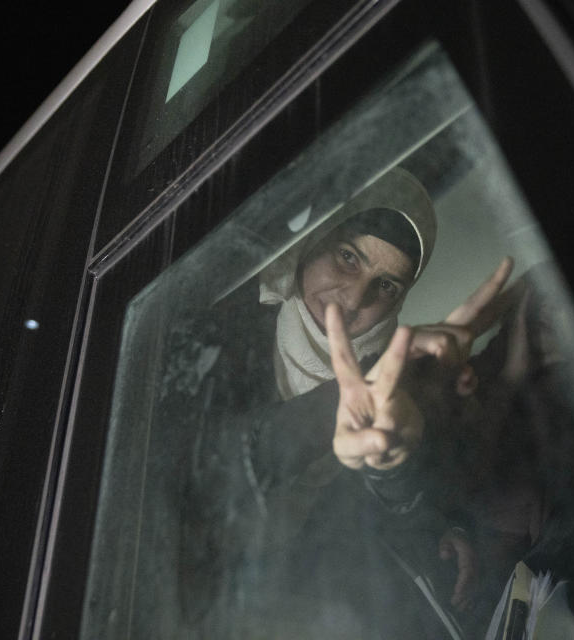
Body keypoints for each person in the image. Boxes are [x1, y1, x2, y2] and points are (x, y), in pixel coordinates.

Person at [164, 167, 513, 638]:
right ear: (315, 240)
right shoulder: (216, 329)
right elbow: (194, 479)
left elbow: (389, 514)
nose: (351, 301)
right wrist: (329, 410)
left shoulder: (395, 387)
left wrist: (394, 469)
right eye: (348, 256)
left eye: (386, 286)